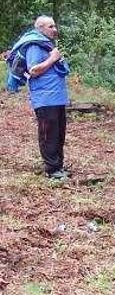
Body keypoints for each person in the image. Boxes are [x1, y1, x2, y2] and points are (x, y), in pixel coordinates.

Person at [19, 16, 71, 179]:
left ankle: (58, 166)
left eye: (55, 26)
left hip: (57, 97)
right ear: (40, 28)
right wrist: (53, 58)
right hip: (44, 97)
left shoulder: (47, 45)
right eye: (51, 26)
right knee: (48, 133)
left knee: (59, 132)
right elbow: (33, 70)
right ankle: (52, 169)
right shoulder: (34, 46)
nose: (55, 29)